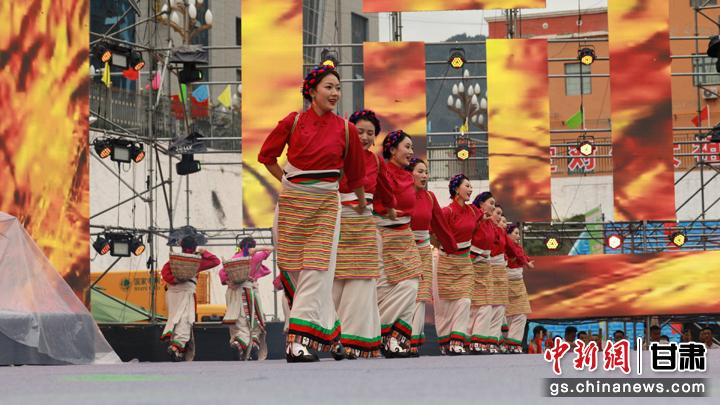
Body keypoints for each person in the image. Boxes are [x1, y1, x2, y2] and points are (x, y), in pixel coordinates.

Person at [258, 63, 366, 362]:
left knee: (317, 271)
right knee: (296, 271)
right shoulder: (293, 121)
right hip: (292, 203)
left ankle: (297, 343)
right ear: (312, 91)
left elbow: (356, 174)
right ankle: (330, 333)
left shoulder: (346, 129)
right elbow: (266, 156)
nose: (335, 93)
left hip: (326, 205)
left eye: (338, 88)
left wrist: (361, 204)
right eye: (328, 87)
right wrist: (287, 182)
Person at [331, 109, 395, 360]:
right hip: (337, 222)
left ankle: (355, 340)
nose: (366, 137)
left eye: (370, 133)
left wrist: (390, 209)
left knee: (363, 283)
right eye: (360, 132)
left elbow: (386, 192)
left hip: (365, 225)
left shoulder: (376, 161)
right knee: (335, 283)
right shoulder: (337, 156)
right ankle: (334, 336)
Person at [372, 130, 423, 358]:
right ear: (392, 149)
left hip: (405, 236)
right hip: (383, 234)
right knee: (385, 290)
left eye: (412, 147)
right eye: (407, 147)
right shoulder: (381, 170)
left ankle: (393, 338)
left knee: (411, 286)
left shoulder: (407, 176)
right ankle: (377, 334)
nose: (411, 152)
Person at [407, 158, 456, 356]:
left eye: (426, 172)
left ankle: (412, 340)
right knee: (404, 293)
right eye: (420, 171)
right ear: (409, 173)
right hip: (401, 248)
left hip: (423, 250)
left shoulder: (430, 197)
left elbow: (440, 224)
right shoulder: (401, 194)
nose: (425, 176)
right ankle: (394, 337)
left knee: (420, 296)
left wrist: (451, 247)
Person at [435, 174, 477, 355]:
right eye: (467, 186)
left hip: (465, 261)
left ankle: (457, 340)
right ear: (456, 189)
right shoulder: (447, 212)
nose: (470, 189)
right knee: (447, 304)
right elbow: (433, 233)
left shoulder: (473, 211)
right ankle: (446, 342)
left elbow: (483, 216)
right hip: (447, 260)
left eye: (471, 186)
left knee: (465, 300)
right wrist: (445, 249)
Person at [160, 236, 221, 361]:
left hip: (172, 293)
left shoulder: (175, 260)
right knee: (185, 320)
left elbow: (164, 272)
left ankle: (176, 347)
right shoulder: (195, 262)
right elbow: (216, 261)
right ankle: (176, 346)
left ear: (181, 247)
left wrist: (174, 280)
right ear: (194, 247)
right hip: (186, 292)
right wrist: (204, 252)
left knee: (174, 318)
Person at [219, 237, 273, 360]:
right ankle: (252, 344)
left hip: (233, 292)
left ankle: (239, 344)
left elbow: (222, 273)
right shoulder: (255, 257)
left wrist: (227, 282)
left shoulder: (234, 259)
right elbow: (270, 249)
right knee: (254, 319)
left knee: (239, 321)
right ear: (253, 247)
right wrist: (256, 250)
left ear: (240, 246)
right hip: (248, 291)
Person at [468, 191, 496, 354]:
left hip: (484, 264)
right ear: (480, 204)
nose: (493, 207)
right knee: (474, 304)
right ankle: (471, 340)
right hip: (471, 262)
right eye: (491, 203)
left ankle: (478, 340)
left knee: (485, 304)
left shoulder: (489, 223)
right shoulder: (473, 218)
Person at [504, 223, 534, 354]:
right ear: (507, 234)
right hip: (506, 282)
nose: (518, 236)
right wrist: (526, 263)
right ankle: (507, 343)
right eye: (515, 233)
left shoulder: (517, 247)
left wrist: (527, 261)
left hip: (518, 281)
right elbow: (518, 254)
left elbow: (521, 254)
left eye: (518, 233)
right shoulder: (507, 245)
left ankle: (513, 343)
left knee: (521, 313)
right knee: (506, 314)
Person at [486, 205, 510, 354]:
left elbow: (511, 248)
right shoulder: (486, 228)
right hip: (489, 268)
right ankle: (487, 341)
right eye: (498, 214)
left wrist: (524, 260)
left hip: (500, 269)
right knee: (488, 306)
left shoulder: (500, 232)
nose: (500, 218)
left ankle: (493, 341)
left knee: (499, 307)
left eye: (501, 215)